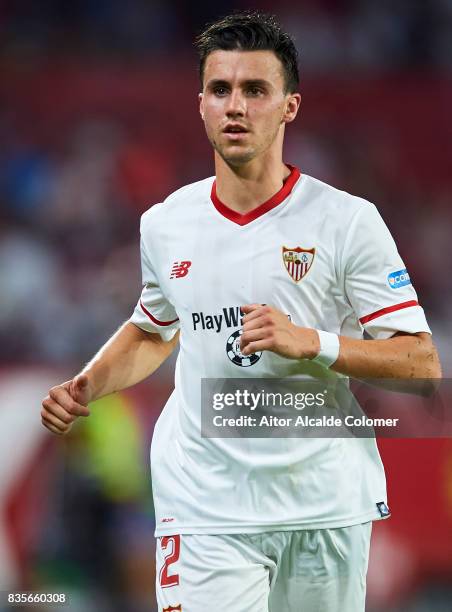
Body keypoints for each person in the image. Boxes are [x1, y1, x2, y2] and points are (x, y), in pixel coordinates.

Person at [41, 11, 441, 612]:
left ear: (289, 107)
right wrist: (87, 385)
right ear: (200, 103)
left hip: (323, 500)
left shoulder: (346, 221)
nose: (236, 106)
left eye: (255, 90)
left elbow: (420, 364)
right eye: (220, 90)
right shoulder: (166, 223)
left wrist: (315, 343)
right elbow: (153, 329)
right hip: (205, 501)